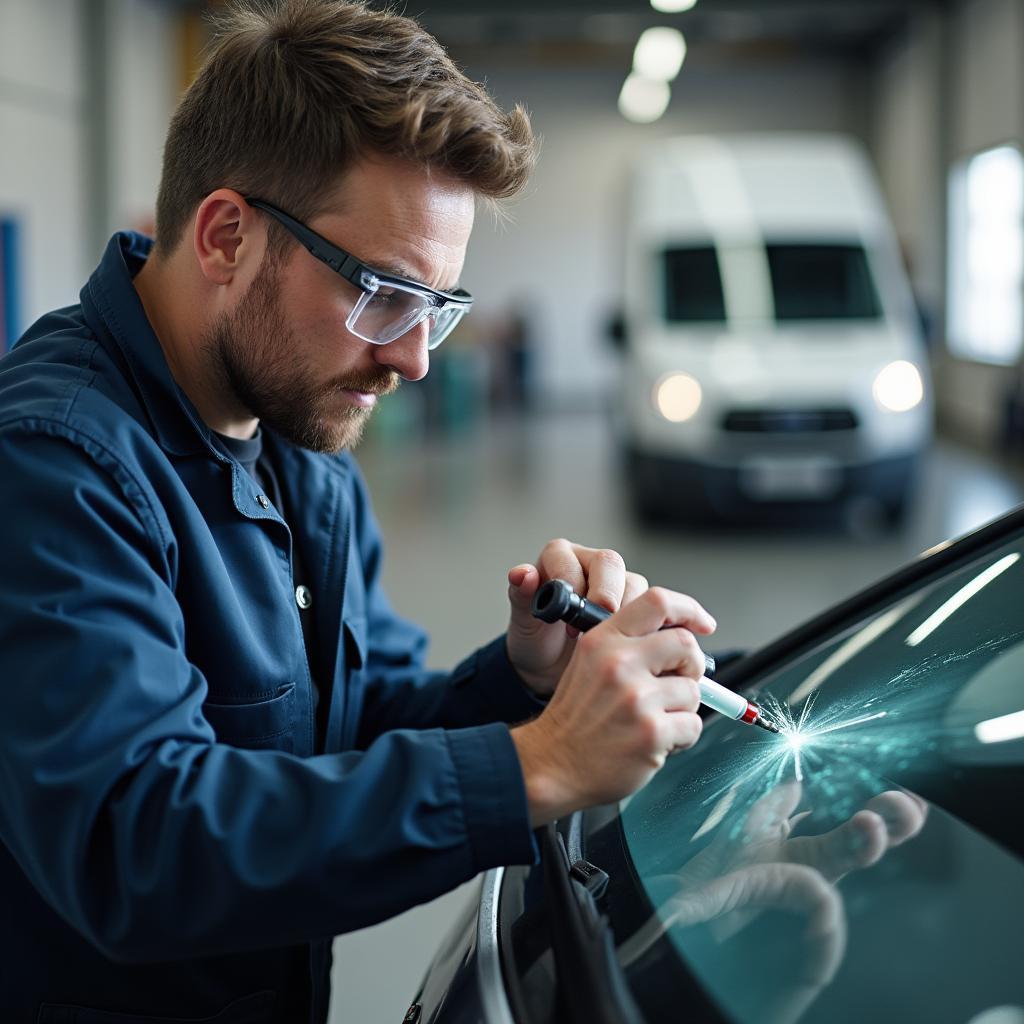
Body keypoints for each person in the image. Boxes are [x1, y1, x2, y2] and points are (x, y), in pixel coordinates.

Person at [0, 1, 714, 1019]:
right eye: (383, 294)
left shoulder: (299, 439)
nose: (414, 359)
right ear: (226, 236)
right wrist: (535, 768)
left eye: (437, 307)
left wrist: (522, 683)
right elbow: (133, 842)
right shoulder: (55, 463)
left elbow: (345, 725)